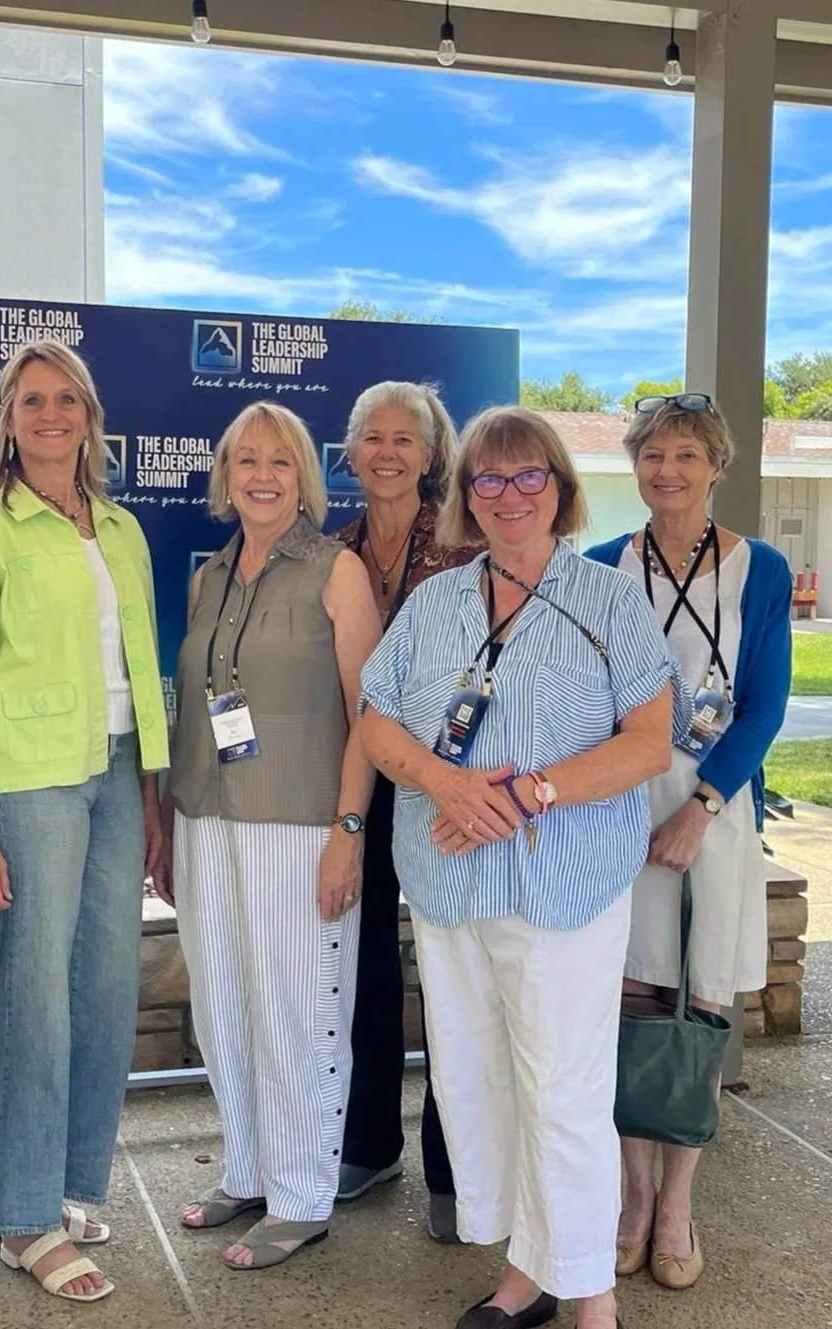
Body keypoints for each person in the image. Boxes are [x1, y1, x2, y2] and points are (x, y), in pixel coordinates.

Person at [357, 406, 680, 1329]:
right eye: (487, 480)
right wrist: (447, 785)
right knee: (480, 1077)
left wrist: (527, 792)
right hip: (452, 883)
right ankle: (526, 1271)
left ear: (561, 489)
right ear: (465, 497)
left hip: (562, 884)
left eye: (528, 475)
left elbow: (650, 744)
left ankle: (594, 1295)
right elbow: (378, 717)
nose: (508, 495)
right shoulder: (435, 602)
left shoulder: (611, 599)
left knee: (564, 1087)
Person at [0, 339, 169, 1305]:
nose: (51, 414)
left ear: (90, 414)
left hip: (116, 773)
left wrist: (151, 798)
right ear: (6, 419)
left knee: (107, 985)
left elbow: (143, 674)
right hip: (26, 782)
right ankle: (21, 1214)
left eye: (66, 397)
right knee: (32, 988)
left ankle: (66, 1182)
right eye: (31, 400)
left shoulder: (120, 528)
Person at [162, 401, 381, 1270]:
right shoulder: (208, 576)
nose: (261, 474)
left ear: (304, 476)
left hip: (300, 823)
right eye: (246, 460)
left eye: (280, 462)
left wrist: (349, 831)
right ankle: (249, 1169)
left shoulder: (338, 572)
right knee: (224, 1005)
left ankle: (301, 1195)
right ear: (225, 475)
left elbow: (373, 714)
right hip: (206, 817)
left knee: (300, 1008)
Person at [584, 392, 792, 1293]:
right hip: (620, 808)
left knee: (699, 1005)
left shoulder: (762, 570)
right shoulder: (599, 569)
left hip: (711, 805)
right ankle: (632, 1201)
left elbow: (764, 703)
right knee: (630, 1004)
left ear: (717, 466)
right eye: (652, 455)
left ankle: (678, 1205)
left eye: (685, 455)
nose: (666, 471)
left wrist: (700, 805)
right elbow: (582, 701)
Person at [330, 381, 478, 1238]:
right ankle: (368, 1139)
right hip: (360, 782)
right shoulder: (332, 552)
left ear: (430, 454)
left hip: (445, 786)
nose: (388, 452)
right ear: (350, 453)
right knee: (367, 969)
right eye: (371, 436)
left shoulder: (465, 545)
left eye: (405, 439)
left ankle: (454, 1166)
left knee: (450, 972)